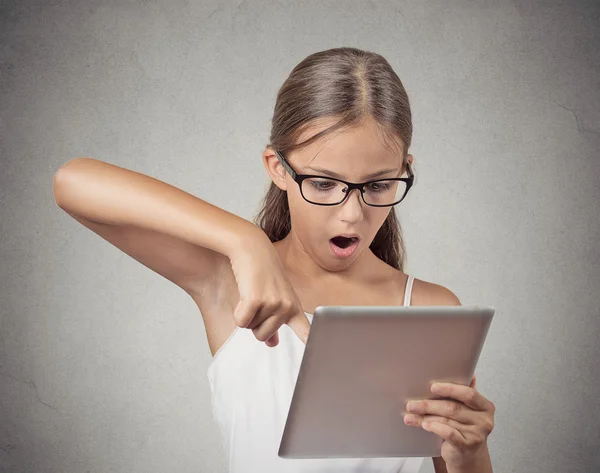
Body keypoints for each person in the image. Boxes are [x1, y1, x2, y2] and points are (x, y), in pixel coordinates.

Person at [53, 47, 495, 473]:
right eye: (323, 183)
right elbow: (72, 182)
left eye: (378, 186)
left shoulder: (429, 311)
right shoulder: (229, 282)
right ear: (278, 168)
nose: (352, 214)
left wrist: (468, 457)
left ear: (405, 167)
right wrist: (245, 241)